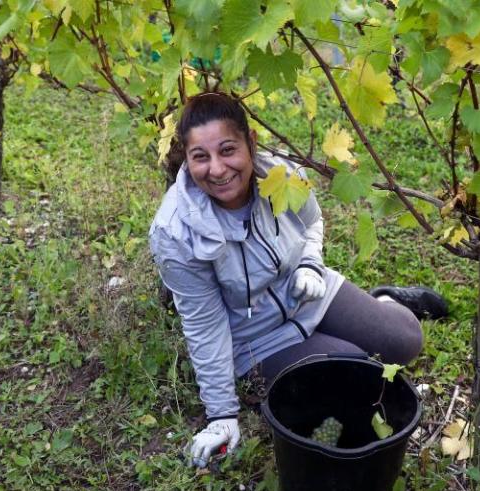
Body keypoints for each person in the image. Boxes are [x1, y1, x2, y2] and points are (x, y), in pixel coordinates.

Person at [149, 92, 448, 467]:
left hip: (308, 292)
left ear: (250, 143)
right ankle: (333, 348)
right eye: (201, 157)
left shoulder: (284, 177)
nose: (218, 169)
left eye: (228, 150)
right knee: (356, 375)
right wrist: (221, 415)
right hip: (258, 338)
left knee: (405, 339)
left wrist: (309, 265)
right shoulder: (177, 231)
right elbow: (204, 324)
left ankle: (384, 302)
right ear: (188, 159)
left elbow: (311, 223)